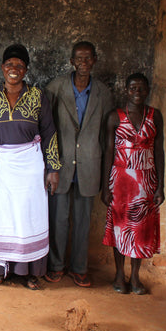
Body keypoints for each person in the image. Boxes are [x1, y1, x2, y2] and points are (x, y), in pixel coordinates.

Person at [0, 44, 60, 290]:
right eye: (10, 65)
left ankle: (28, 271)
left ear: (26, 70)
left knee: (27, 217)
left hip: (30, 164)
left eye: (20, 66)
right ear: (2, 68)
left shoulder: (37, 96)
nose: (14, 69)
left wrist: (52, 167)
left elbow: (49, 131)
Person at [44, 41, 114, 287]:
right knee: (58, 219)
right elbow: (47, 129)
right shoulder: (55, 88)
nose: (83, 63)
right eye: (79, 59)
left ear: (95, 60)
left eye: (88, 58)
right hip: (60, 165)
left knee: (83, 221)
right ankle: (55, 266)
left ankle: (80, 268)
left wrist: (107, 174)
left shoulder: (103, 93)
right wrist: (49, 165)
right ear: (71, 61)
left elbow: (107, 136)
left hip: (89, 166)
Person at [102, 73, 164, 295]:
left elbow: (159, 151)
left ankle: (136, 276)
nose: (137, 92)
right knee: (121, 229)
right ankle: (119, 274)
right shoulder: (114, 117)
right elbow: (108, 151)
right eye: (132, 88)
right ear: (126, 90)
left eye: (141, 88)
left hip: (146, 181)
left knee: (140, 230)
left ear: (147, 90)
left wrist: (160, 186)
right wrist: (105, 185)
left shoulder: (155, 116)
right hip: (120, 181)